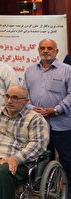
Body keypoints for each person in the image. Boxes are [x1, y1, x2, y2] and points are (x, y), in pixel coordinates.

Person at [24, 38, 71, 179]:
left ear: (56, 51)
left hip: (62, 124)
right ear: (38, 50)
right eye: (42, 48)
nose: (46, 51)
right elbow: (24, 94)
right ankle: (47, 187)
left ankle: (68, 188)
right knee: (42, 158)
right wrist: (31, 108)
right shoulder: (30, 70)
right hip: (38, 123)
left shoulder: (67, 70)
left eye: (49, 48)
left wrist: (56, 110)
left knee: (67, 159)